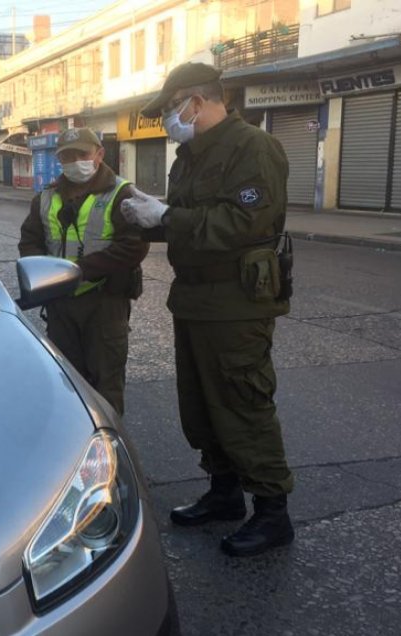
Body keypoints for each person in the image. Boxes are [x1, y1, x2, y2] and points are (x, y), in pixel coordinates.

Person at [120, 62, 295, 557]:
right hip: (195, 296)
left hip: (237, 300)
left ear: (195, 102)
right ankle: (224, 493)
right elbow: (186, 220)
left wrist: (169, 215)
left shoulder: (253, 148)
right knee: (200, 404)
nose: (168, 120)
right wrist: (146, 216)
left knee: (243, 400)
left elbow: (243, 222)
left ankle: (271, 510)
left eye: (172, 109)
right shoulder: (190, 154)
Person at [19, 127, 148, 415]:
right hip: (61, 304)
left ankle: (110, 447)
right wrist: (44, 276)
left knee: (106, 385)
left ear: (99, 154)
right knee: (67, 382)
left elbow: (133, 246)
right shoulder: (46, 197)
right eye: (66, 156)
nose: (74, 161)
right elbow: (29, 241)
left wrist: (78, 271)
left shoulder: (122, 193)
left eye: (82, 154)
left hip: (105, 303)